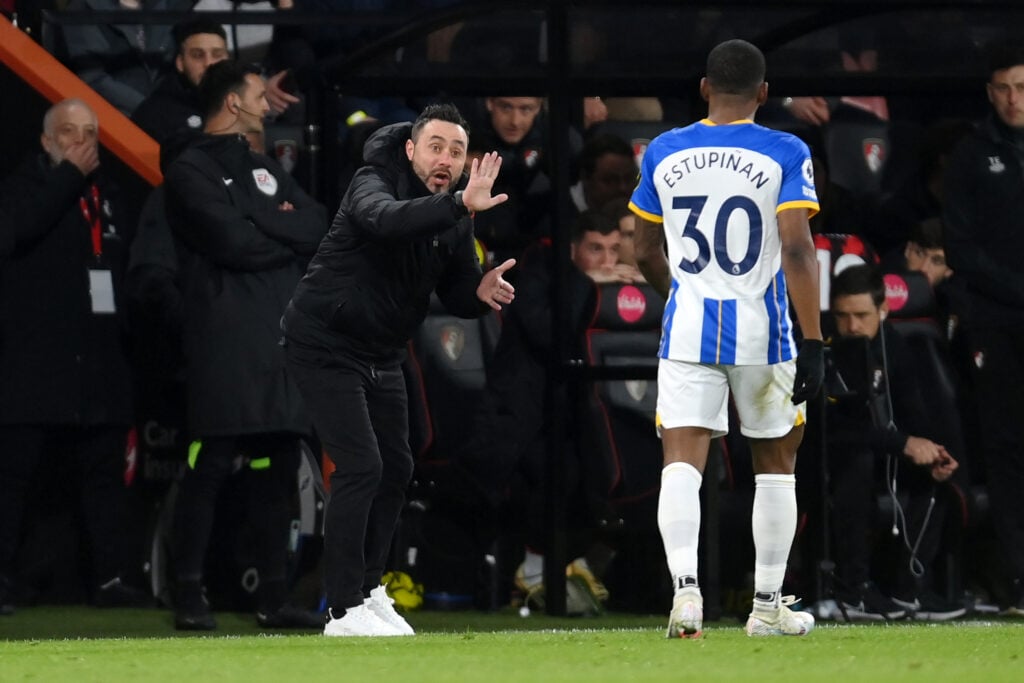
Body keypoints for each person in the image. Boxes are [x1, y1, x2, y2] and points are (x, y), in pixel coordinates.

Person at [281, 103, 515, 637]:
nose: (446, 158)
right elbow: (385, 222)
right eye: (436, 146)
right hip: (324, 342)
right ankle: (341, 610)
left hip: (381, 352)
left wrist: (478, 294)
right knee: (361, 466)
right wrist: (457, 203)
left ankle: (367, 590)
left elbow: (456, 288)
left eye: (457, 152)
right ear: (411, 149)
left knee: (397, 467)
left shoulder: (456, 217)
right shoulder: (373, 178)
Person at [629, 39, 824, 638]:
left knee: (681, 463)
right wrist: (814, 340)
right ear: (764, 93)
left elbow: (643, 252)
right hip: (764, 334)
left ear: (705, 87)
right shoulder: (784, 150)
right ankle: (766, 606)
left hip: (687, 331)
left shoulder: (663, 151)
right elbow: (795, 246)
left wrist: (682, 294)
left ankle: (685, 594)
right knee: (776, 464)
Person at [162, 60, 327, 631]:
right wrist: (272, 226)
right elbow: (230, 242)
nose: (267, 102)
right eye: (259, 93)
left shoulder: (261, 168)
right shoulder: (189, 169)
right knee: (208, 464)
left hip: (278, 335)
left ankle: (274, 598)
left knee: (279, 464)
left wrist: (262, 222)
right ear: (232, 103)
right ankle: (187, 593)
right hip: (224, 337)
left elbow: (317, 224)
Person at [0, 99, 149, 614]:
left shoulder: (108, 195)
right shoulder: (20, 187)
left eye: (90, 132)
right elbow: (17, 229)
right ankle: (3, 580)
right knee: (14, 481)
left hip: (100, 362)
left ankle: (110, 578)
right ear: (46, 141)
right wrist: (65, 177)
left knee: (105, 479)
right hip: (33, 363)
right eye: (69, 132)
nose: (81, 142)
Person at [827, 264, 964, 621]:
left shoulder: (894, 345)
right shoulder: (824, 350)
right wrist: (902, 443)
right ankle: (853, 588)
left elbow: (913, 412)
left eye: (861, 315)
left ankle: (910, 588)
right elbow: (832, 430)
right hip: (828, 460)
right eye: (842, 316)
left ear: (883, 311)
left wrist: (932, 450)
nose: (852, 326)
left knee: (937, 470)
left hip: (881, 452)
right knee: (855, 461)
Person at [942, 39, 1024, 616]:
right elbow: (962, 248)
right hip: (998, 325)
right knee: (1007, 450)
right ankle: (1017, 578)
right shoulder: (972, 155)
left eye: (1022, 87)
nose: (1014, 99)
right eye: (1004, 88)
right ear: (990, 92)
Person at [570, 133, 638, 215]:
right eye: (611, 180)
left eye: (629, 179)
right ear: (586, 178)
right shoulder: (562, 215)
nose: (623, 188)